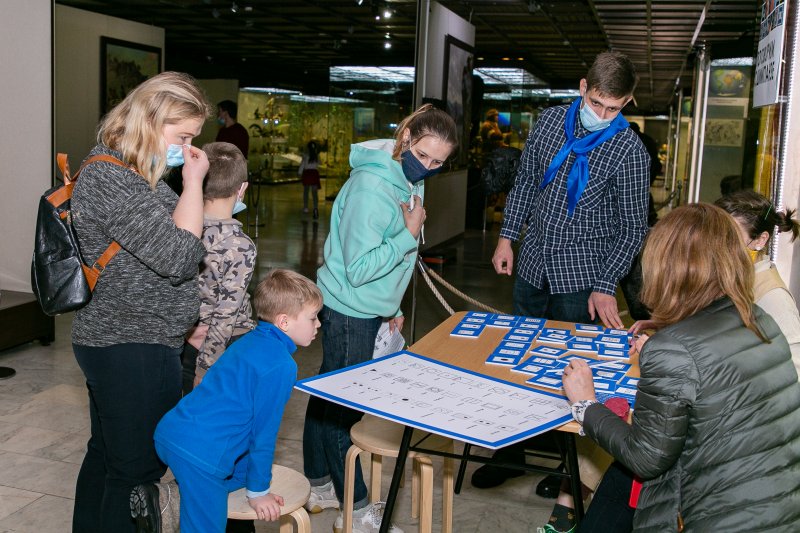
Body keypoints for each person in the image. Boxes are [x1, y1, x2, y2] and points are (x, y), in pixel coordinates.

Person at [562, 203, 800, 532]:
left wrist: (585, 404)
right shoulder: (759, 320)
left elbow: (645, 457)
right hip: (778, 505)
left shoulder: (672, 349)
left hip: (723, 515)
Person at [477, 51, 650, 495]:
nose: (604, 115)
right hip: (534, 263)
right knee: (522, 360)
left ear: (627, 101)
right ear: (582, 87)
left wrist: (606, 283)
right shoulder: (552, 123)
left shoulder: (629, 149)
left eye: (615, 108)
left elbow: (633, 227)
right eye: (597, 103)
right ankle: (511, 452)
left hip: (583, 276)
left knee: (571, 369)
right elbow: (526, 183)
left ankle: (562, 462)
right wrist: (506, 237)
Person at [302, 103, 457, 533]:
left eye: (438, 163)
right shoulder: (373, 186)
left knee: (328, 391)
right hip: (350, 309)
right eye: (423, 156)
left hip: (370, 308)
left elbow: (390, 259)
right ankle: (356, 509)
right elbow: (360, 268)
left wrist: (391, 306)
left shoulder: (406, 177)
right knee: (343, 411)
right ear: (406, 138)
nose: (428, 168)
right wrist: (408, 235)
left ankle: (319, 483)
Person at [69, 71, 211, 532]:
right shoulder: (112, 177)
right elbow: (181, 255)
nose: (188, 148)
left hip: (133, 340)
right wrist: (194, 184)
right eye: (183, 135)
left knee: (109, 456)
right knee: (136, 473)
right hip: (130, 343)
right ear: (150, 119)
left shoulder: (136, 174)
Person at [152, 269, 323, 533]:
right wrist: (259, 492)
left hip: (173, 431)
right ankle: (171, 503)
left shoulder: (248, 340)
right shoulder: (281, 365)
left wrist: (253, 486)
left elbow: (242, 426)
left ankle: (176, 495)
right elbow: (262, 435)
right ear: (284, 322)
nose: (318, 324)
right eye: (313, 318)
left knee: (229, 480)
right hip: (201, 453)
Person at [181, 141, 256, 396]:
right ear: (242, 189)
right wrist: (205, 368)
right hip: (226, 346)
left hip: (187, 339)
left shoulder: (181, 228)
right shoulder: (240, 245)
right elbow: (227, 314)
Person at [715, 190, 800, 376]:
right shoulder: (735, 277)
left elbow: (794, 373)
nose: (718, 244)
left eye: (731, 236)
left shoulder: (773, 297)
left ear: (760, 240)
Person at [299, 140, 321, 219]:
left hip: (307, 174)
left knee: (306, 191)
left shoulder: (305, 156)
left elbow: (302, 165)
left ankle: (306, 207)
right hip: (314, 174)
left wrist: (299, 173)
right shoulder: (317, 156)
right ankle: (315, 207)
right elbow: (319, 163)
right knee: (314, 193)